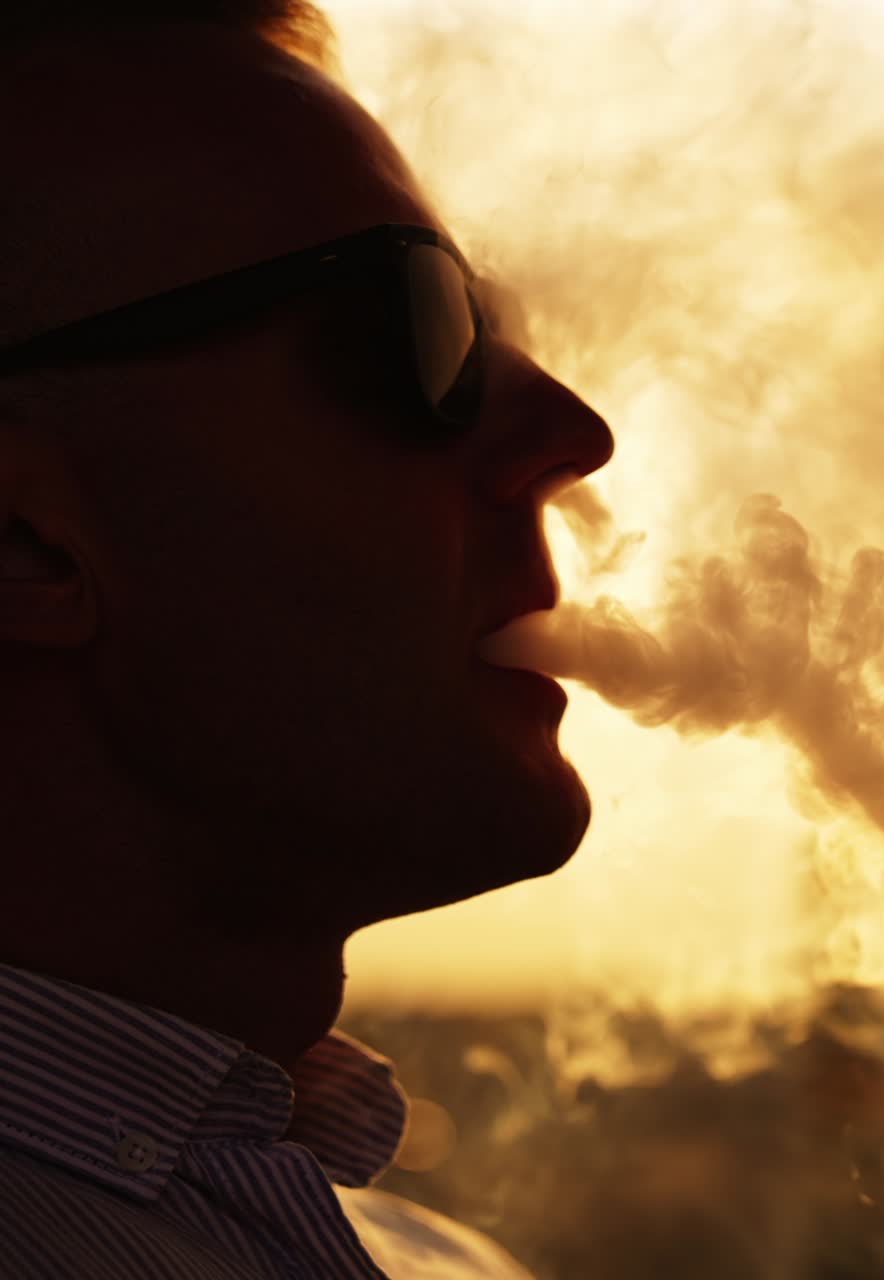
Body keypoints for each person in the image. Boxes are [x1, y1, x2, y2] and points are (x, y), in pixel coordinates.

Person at [0, 2, 614, 1276]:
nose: (566, 427)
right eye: (414, 321)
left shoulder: (442, 1259)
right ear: (27, 540)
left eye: (493, 320)